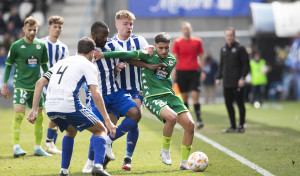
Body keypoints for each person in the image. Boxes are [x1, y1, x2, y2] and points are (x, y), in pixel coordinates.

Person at [97, 32, 195, 170]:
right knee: (171, 118)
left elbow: (159, 76)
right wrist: (103, 55)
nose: (164, 51)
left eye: (167, 47)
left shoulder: (172, 60)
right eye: (161, 48)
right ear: (155, 46)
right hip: (152, 97)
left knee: (190, 125)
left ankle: (185, 164)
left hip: (169, 95)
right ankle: (165, 151)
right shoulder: (147, 54)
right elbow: (127, 56)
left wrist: (148, 67)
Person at [82, 21, 165, 173]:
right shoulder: (87, 50)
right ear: (94, 35)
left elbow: (129, 57)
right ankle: (91, 161)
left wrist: (148, 65)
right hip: (98, 96)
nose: (106, 38)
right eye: (103, 36)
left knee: (135, 114)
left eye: (107, 35)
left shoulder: (111, 46)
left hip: (115, 92)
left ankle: (109, 141)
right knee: (99, 128)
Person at [27, 37, 116, 176]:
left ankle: (64, 171)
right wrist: (108, 120)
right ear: (92, 53)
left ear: (77, 50)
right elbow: (95, 93)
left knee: (71, 130)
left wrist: (34, 110)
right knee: (101, 130)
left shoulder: (61, 62)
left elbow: (39, 83)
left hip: (50, 107)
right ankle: (98, 166)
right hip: (68, 104)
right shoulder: (89, 65)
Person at [0, 16, 51, 157]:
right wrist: (4, 85)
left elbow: (45, 65)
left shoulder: (41, 46)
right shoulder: (16, 46)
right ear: (24, 29)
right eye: (30, 30)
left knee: (40, 117)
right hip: (21, 86)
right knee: (19, 115)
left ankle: (37, 148)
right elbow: (8, 65)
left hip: (36, 88)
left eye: (35, 30)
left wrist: (50, 81)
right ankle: (16, 147)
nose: (33, 33)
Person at [106, 10, 149, 170]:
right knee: (111, 125)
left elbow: (147, 61)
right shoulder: (110, 43)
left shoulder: (140, 41)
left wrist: (146, 86)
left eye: (131, 24)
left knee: (134, 121)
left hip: (135, 90)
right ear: (117, 24)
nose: (129, 27)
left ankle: (128, 157)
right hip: (116, 91)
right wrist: (115, 69)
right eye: (125, 24)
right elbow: (105, 68)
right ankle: (102, 159)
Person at [40, 15, 69, 154]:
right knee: (44, 115)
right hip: (42, 84)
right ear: (49, 28)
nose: (57, 29)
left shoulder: (63, 48)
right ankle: (47, 143)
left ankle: (50, 144)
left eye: (60, 27)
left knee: (58, 113)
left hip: (56, 86)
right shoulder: (40, 44)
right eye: (55, 27)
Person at [172, 21, 206, 129]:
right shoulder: (177, 42)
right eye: (184, 29)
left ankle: (199, 119)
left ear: (191, 29)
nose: (186, 30)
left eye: (188, 28)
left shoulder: (197, 41)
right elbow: (174, 58)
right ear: (182, 30)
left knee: (195, 95)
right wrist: (173, 72)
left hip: (194, 71)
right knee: (184, 98)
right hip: (181, 72)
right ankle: (187, 120)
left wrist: (203, 70)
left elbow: (201, 56)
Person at [216, 27, 250, 133]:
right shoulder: (223, 49)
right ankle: (233, 126)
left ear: (234, 36)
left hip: (238, 82)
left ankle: (241, 125)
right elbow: (222, 65)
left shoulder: (240, 48)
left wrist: (242, 78)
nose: (229, 37)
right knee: (228, 104)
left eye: (231, 35)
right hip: (227, 82)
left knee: (240, 104)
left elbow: (246, 65)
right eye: (227, 35)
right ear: (225, 37)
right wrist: (218, 77)